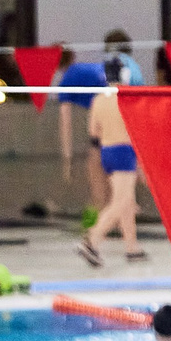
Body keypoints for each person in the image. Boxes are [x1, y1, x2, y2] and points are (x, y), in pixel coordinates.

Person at [76, 64, 147, 266]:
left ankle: (131, 247)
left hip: (106, 151)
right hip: (124, 150)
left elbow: (94, 132)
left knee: (127, 201)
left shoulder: (98, 99)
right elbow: (136, 128)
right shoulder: (126, 97)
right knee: (121, 202)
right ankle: (92, 240)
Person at [55, 46, 111, 218]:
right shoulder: (90, 70)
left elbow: (65, 125)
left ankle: (94, 227)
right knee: (112, 189)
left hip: (107, 129)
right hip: (119, 126)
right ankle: (103, 222)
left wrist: (67, 161)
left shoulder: (68, 80)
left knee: (98, 189)